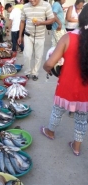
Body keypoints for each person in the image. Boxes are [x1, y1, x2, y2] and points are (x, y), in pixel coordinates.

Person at [41, 4, 88, 156]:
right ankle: (76, 147)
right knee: (81, 120)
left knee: (57, 111)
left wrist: (48, 69)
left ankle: (50, 132)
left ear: (81, 18)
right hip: (86, 91)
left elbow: (49, 63)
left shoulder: (68, 37)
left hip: (66, 86)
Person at [18, 0, 54, 81]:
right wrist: (20, 36)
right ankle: (27, 72)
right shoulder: (25, 6)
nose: (32, 1)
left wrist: (41, 22)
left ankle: (35, 73)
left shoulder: (46, 5)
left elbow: (52, 19)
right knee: (27, 55)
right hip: (28, 35)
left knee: (38, 56)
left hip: (40, 36)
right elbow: (22, 22)